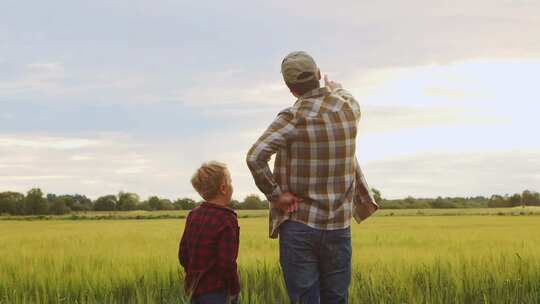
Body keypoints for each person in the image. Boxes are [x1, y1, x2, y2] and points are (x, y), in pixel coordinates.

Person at [246, 51, 378, 303]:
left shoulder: (292, 118)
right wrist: (337, 89)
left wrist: (276, 196)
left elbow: (255, 157)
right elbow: (349, 98)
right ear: (318, 75)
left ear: (290, 87)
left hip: (299, 224)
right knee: (337, 299)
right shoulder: (348, 109)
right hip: (339, 226)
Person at [179, 161, 240, 304]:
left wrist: (194, 276)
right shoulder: (227, 218)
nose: (232, 184)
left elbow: (183, 255)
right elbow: (226, 263)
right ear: (224, 188)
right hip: (217, 292)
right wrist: (234, 288)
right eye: (230, 180)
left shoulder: (193, 215)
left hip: (193, 290)